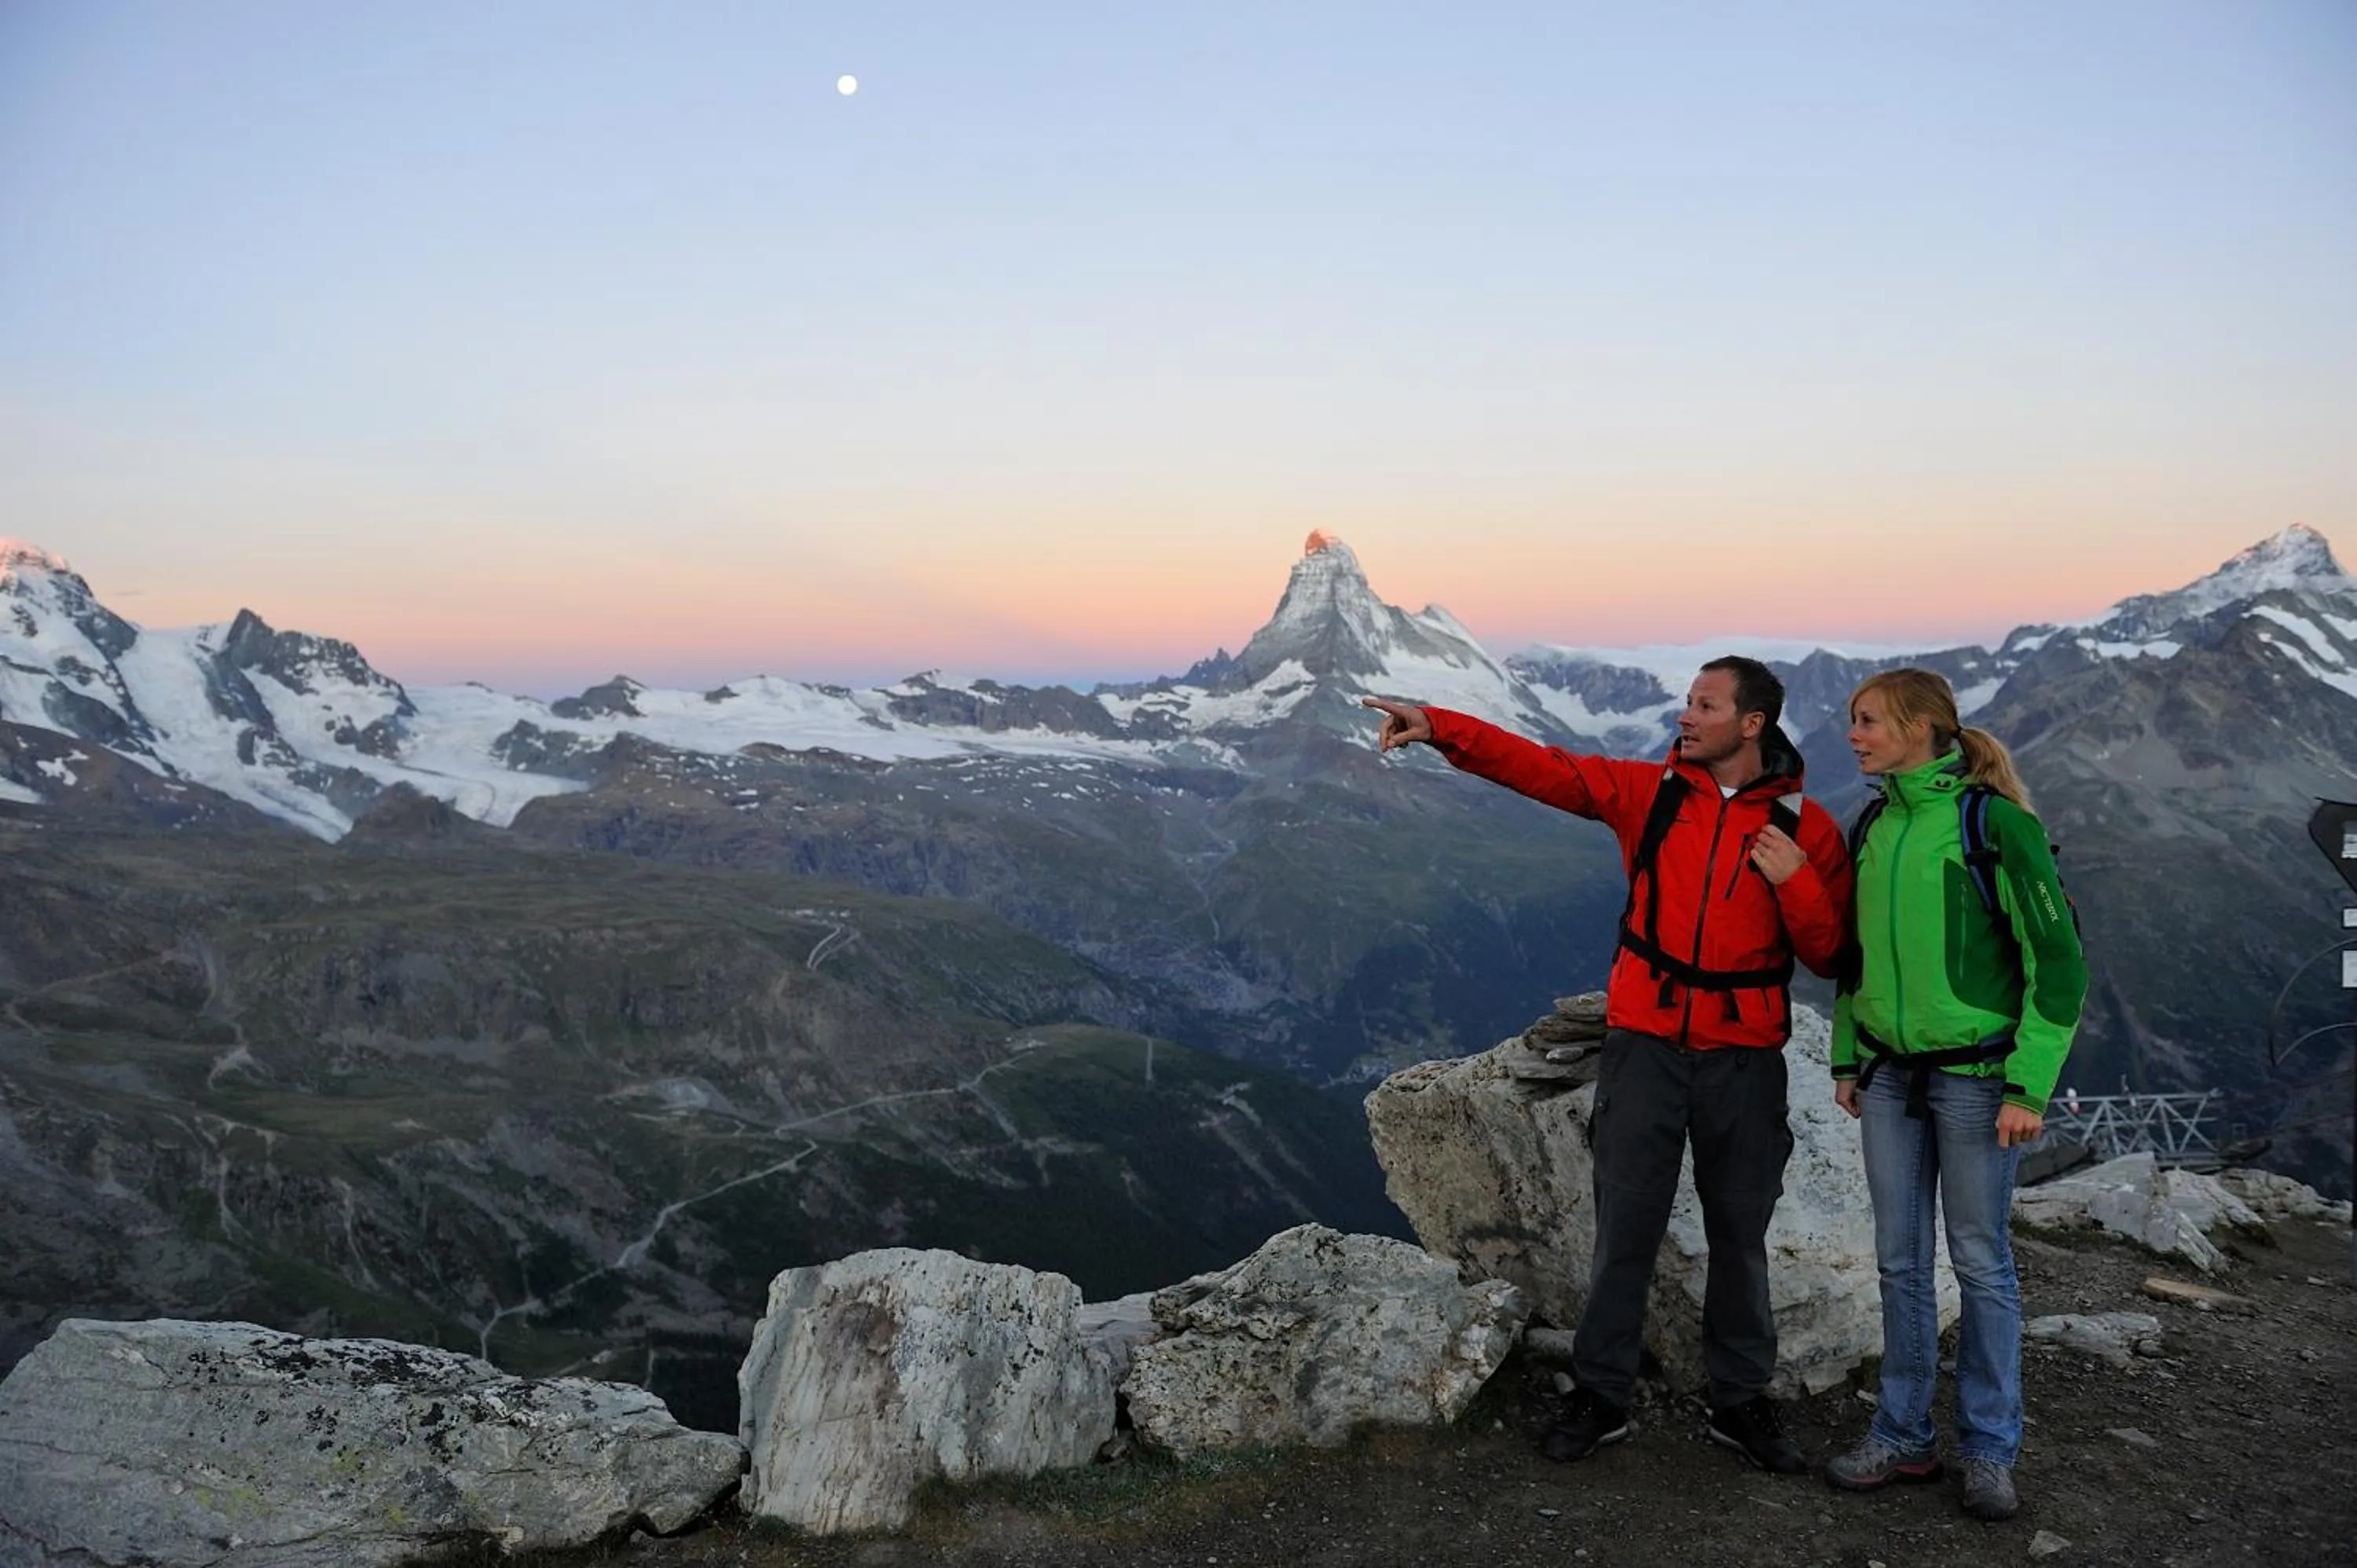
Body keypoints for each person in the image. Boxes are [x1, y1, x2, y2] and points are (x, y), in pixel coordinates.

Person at [1363, 657, 1852, 1475]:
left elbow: (1831, 954)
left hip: (1743, 1058)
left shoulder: (1808, 830)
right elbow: (1545, 770)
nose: (1685, 716)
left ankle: (1741, 1400)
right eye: (1688, 701)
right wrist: (1442, 728)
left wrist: (1796, 881)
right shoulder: (1650, 793)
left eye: (1705, 705)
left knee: (1740, 1234)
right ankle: (1601, 1395)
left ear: (1753, 723)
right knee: (1624, 1227)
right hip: (1646, 1046)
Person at [1822, 669, 2087, 1522]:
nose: (1854, 735)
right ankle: (1902, 1433)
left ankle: (1989, 1448)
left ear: (1920, 727)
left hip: (1978, 1080)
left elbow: (2060, 963)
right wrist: (1846, 1057)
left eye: (1868, 721)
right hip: (1889, 1075)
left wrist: (2029, 1087)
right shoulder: (1875, 822)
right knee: (1899, 1259)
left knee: (1978, 1260)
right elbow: (1857, 956)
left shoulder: (1994, 823)